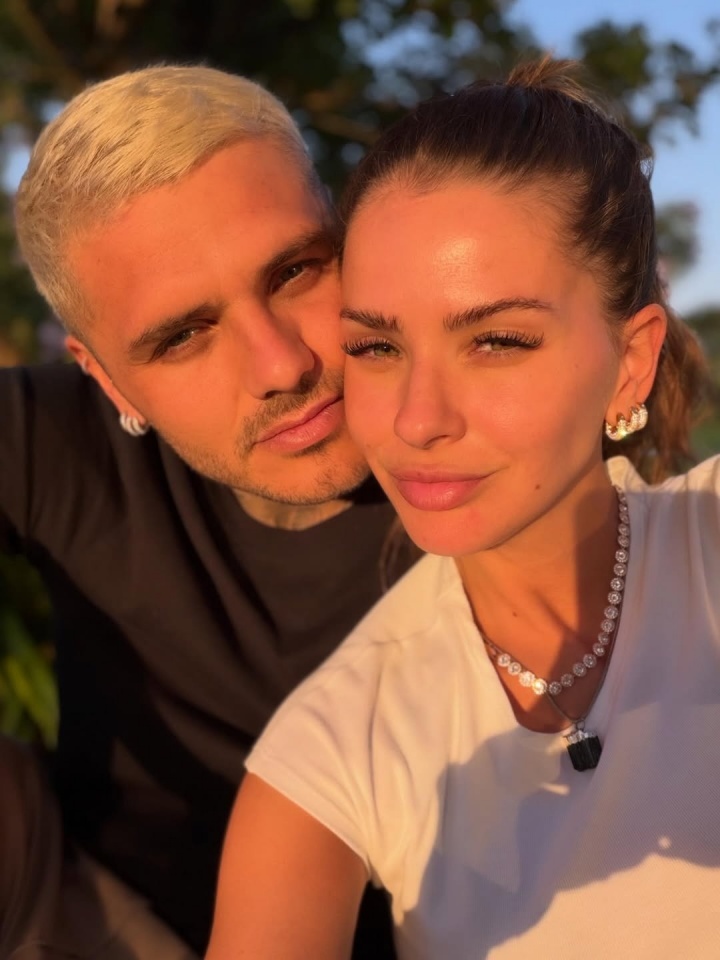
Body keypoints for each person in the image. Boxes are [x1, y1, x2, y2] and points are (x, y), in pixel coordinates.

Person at [206, 58, 720, 959]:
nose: (417, 420)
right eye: (376, 347)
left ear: (631, 363)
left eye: (497, 341)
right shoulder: (337, 748)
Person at [2, 65, 411, 958]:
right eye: (183, 335)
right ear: (105, 378)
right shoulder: (47, 438)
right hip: (95, 910)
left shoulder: (492, 450)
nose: (281, 365)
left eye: (296, 272)